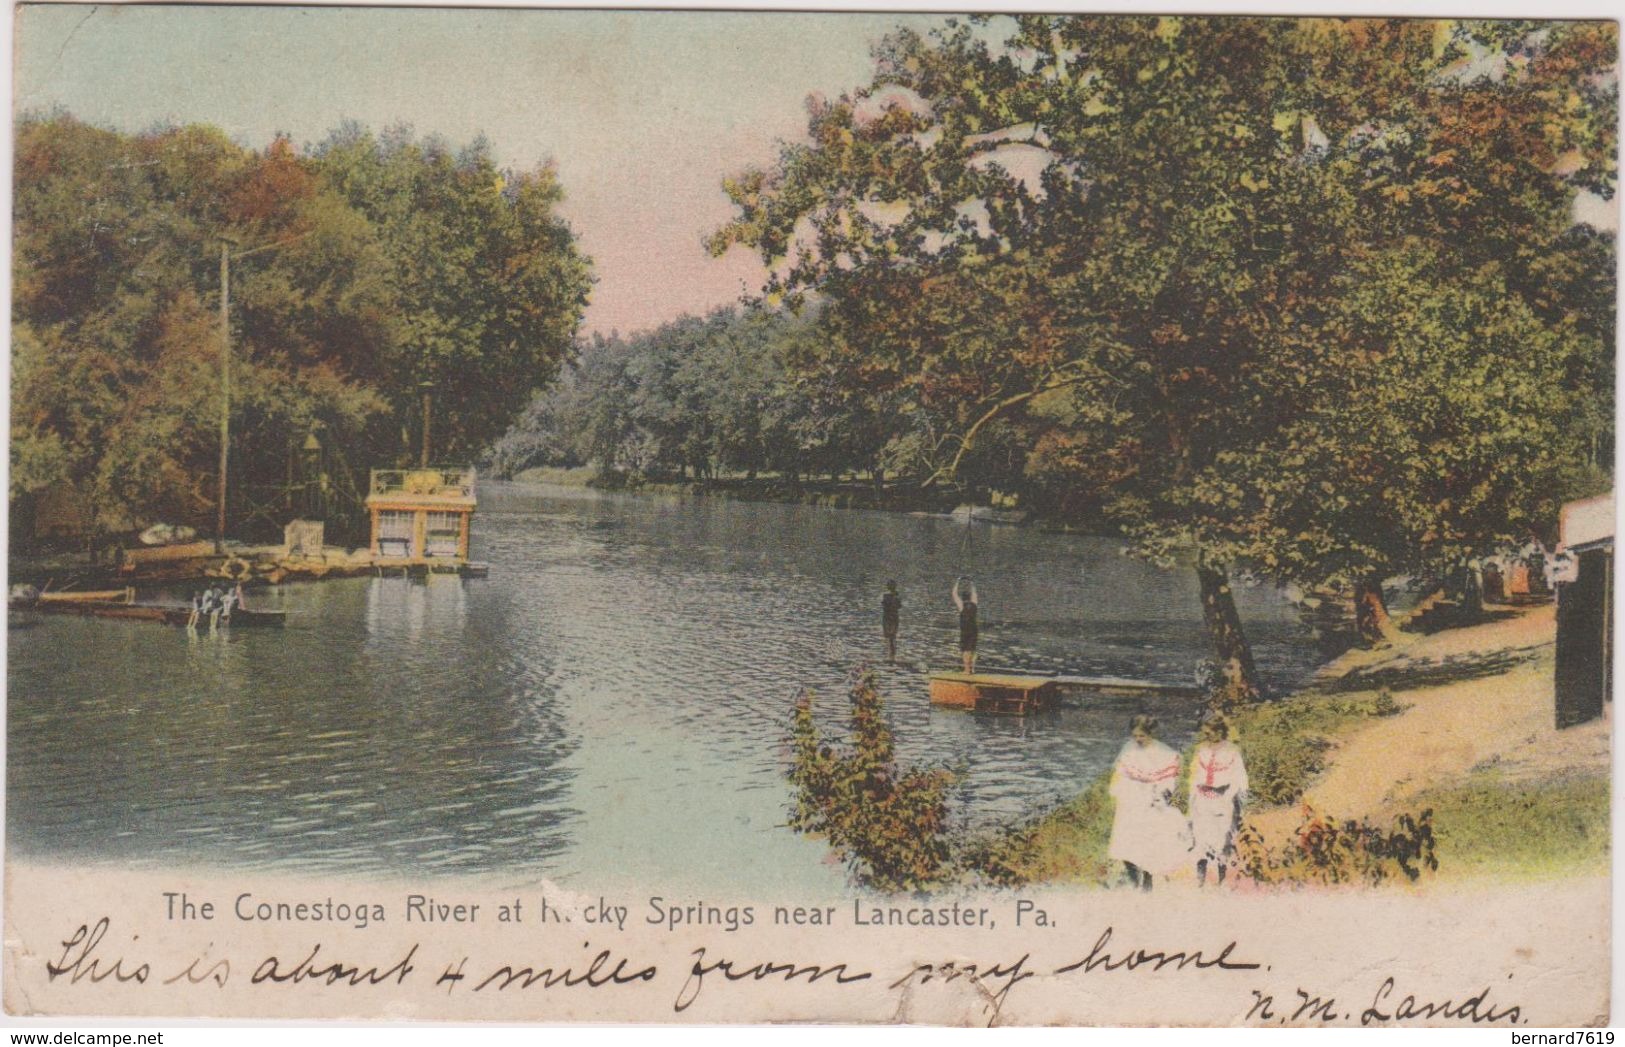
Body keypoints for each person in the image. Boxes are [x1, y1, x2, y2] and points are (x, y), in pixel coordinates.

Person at [1108, 715, 1189, 892]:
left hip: (1150, 800)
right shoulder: (1129, 748)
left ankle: (1147, 880)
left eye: (1142, 736)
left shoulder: (1162, 752)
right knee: (1124, 841)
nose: (1138, 739)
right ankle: (1132, 879)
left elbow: (1169, 780)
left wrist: (1158, 796)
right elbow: (1120, 774)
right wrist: (1117, 792)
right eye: (1135, 736)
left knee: (1146, 841)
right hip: (1130, 799)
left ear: (1151, 733)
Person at [1189, 716, 1249, 886]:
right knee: (1201, 841)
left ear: (1220, 732)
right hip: (1202, 802)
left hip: (1223, 800)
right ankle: (1200, 882)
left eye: (1211, 733)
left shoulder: (1232, 751)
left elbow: (1239, 779)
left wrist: (1227, 798)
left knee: (1221, 841)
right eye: (1206, 733)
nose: (1208, 736)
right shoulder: (1201, 750)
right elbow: (1194, 777)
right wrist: (1192, 800)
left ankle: (1221, 881)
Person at [952, 577, 978, 673]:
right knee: (973, 649)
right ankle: (973, 668)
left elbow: (954, 594)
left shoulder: (961, 605)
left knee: (965, 650)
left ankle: (967, 669)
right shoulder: (974, 604)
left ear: (962, 598)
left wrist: (957, 581)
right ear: (970, 597)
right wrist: (972, 583)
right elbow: (975, 593)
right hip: (974, 629)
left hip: (965, 630)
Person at [881, 581, 902, 664]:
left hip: (887, 617)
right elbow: (899, 606)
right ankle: (892, 656)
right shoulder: (897, 596)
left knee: (889, 636)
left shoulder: (886, 596)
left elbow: (884, 606)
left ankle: (890, 656)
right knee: (892, 636)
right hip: (894, 616)